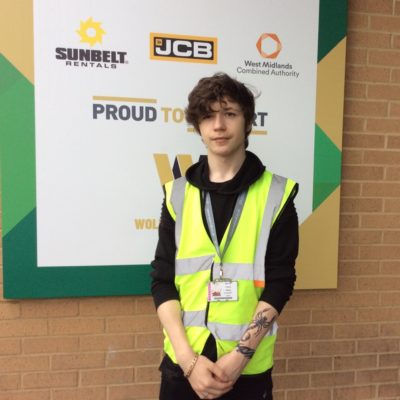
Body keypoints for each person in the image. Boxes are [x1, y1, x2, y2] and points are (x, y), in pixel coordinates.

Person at [151, 72, 299, 400]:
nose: (218, 125)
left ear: (246, 122)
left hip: (244, 369)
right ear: (198, 126)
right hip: (183, 365)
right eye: (208, 116)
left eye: (229, 113)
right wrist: (189, 361)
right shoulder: (177, 194)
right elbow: (162, 280)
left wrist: (239, 357)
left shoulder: (277, 194)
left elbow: (280, 281)